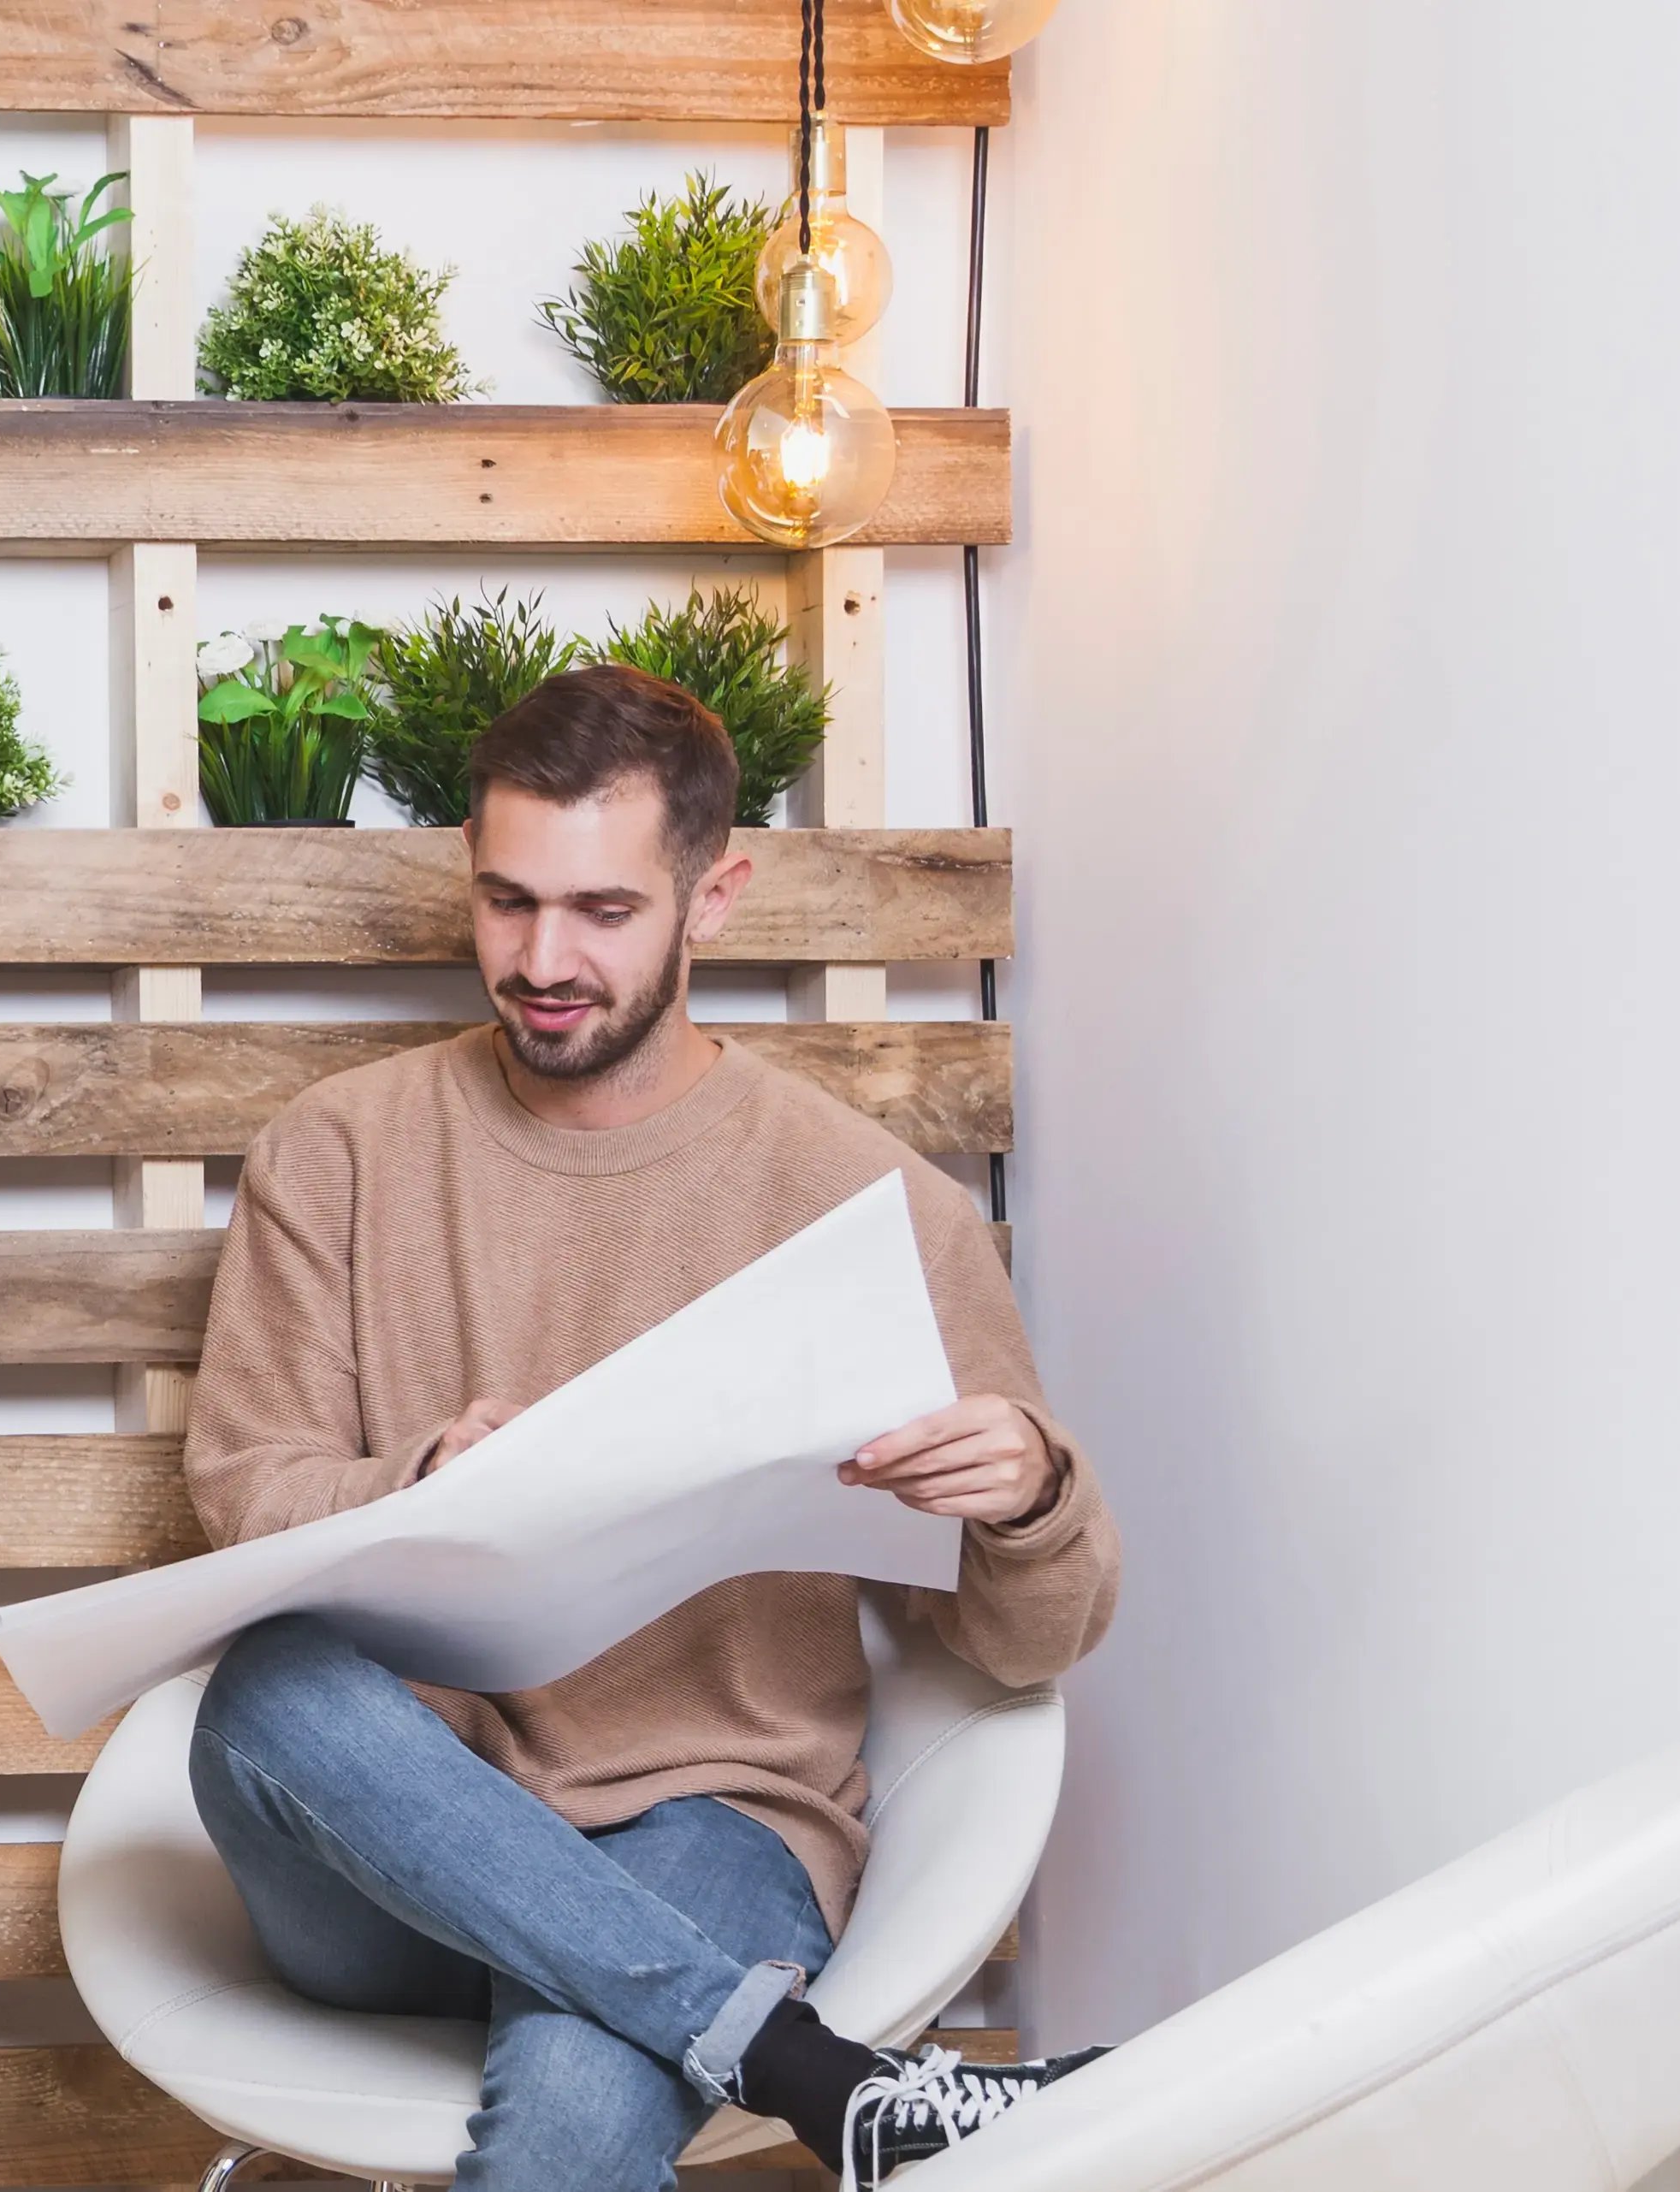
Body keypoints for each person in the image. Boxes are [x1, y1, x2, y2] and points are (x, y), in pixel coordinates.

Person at [179, 665, 1124, 2188]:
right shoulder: (339, 1153)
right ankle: (811, 2074)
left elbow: (1028, 1646)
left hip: (709, 1818)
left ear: (717, 893)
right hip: (391, 1843)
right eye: (507, 902)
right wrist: (417, 1481)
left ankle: (735, 2032)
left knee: (569, 2126)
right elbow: (244, 1489)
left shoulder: (866, 1203)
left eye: (603, 912)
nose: (544, 957)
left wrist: (1026, 1496)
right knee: (272, 1689)